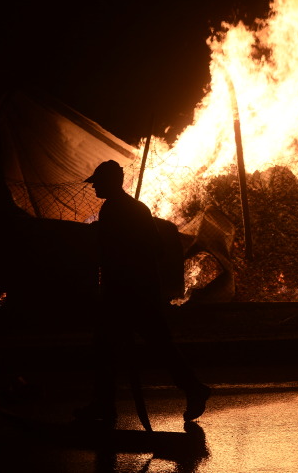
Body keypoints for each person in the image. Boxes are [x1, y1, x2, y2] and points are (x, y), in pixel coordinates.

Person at [74, 160, 210, 427]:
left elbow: (111, 256)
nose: (94, 188)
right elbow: (157, 249)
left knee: (113, 347)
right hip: (139, 291)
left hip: (128, 293)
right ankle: (105, 405)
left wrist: (118, 283)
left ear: (113, 182)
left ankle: (193, 389)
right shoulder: (135, 208)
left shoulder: (114, 210)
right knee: (125, 346)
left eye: (98, 182)